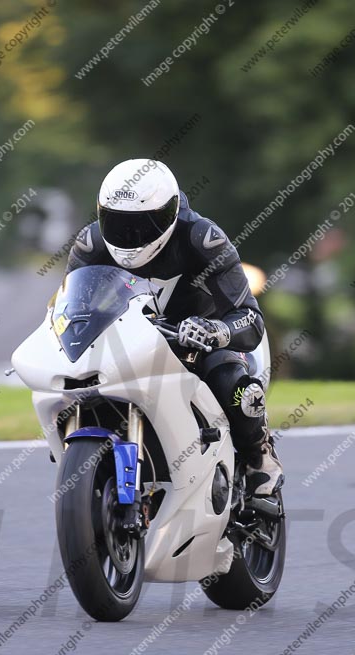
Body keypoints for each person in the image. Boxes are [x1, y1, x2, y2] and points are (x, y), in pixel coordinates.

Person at [65, 158, 284, 496]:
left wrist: (216, 332)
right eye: (118, 224)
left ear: (169, 214)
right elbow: (73, 306)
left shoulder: (203, 239)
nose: (130, 236)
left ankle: (260, 456)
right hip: (127, 340)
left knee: (235, 387)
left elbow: (249, 317)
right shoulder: (90, 245)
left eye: (143, 225)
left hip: (198, 341)